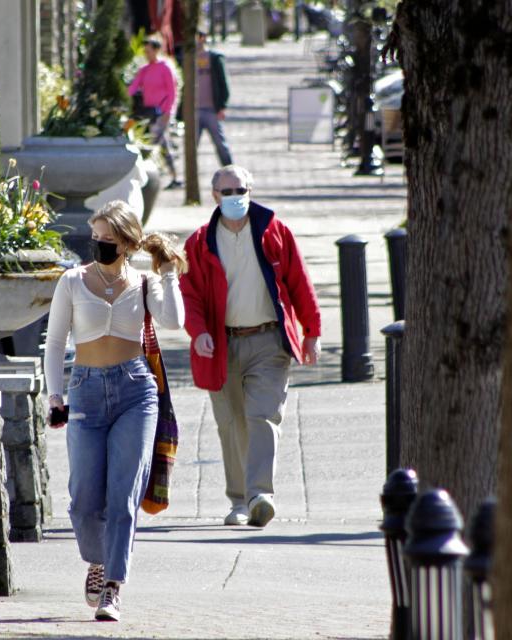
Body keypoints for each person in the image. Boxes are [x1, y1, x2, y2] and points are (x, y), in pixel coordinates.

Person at [43, 200, 186, 622]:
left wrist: (168, 273)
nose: (100, 246)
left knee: (123, 495)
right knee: (84, 499)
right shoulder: (72, 281)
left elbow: (174, 320)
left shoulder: (143, 283)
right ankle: (98, 559)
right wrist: (55, 396)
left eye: (108, 240)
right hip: (85, 388)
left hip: (136, 391)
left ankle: (113, 586)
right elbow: (54, 344)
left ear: (127, 242)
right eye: (96, 238)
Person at [179, 165, 321, 528]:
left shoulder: (275, 231)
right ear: (214, 197)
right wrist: (198, 332)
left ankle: (260, 495)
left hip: (269, 340)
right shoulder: (198, 242)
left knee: (263, 416)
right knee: (231, 425)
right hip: (221, 344)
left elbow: (299, 281)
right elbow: (189, 294)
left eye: (240, 190)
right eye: (226, 192)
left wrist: (312, 332)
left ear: (250, 190)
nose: (234, 198)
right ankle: (239, 501)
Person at [128, 33, 181, 189]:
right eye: (145, 51)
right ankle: (174, 176)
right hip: (149, 112)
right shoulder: (145, 69)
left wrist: (168, 112)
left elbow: (172, 92)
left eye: (148, 50)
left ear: (157, 50)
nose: (146, 54)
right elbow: (134, 87)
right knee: (163, 144)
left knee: (152, 143)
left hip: (162, 112)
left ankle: (145, 175)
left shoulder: (165, 68)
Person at [194, 28, 233, 167]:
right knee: (192, 147)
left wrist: (222, 106)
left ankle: (230, 171)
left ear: (203, 38)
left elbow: (223, 83)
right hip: (194, 110)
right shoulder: (188, 59)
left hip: (212, 109)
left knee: (221, 145)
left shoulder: (215, 58)